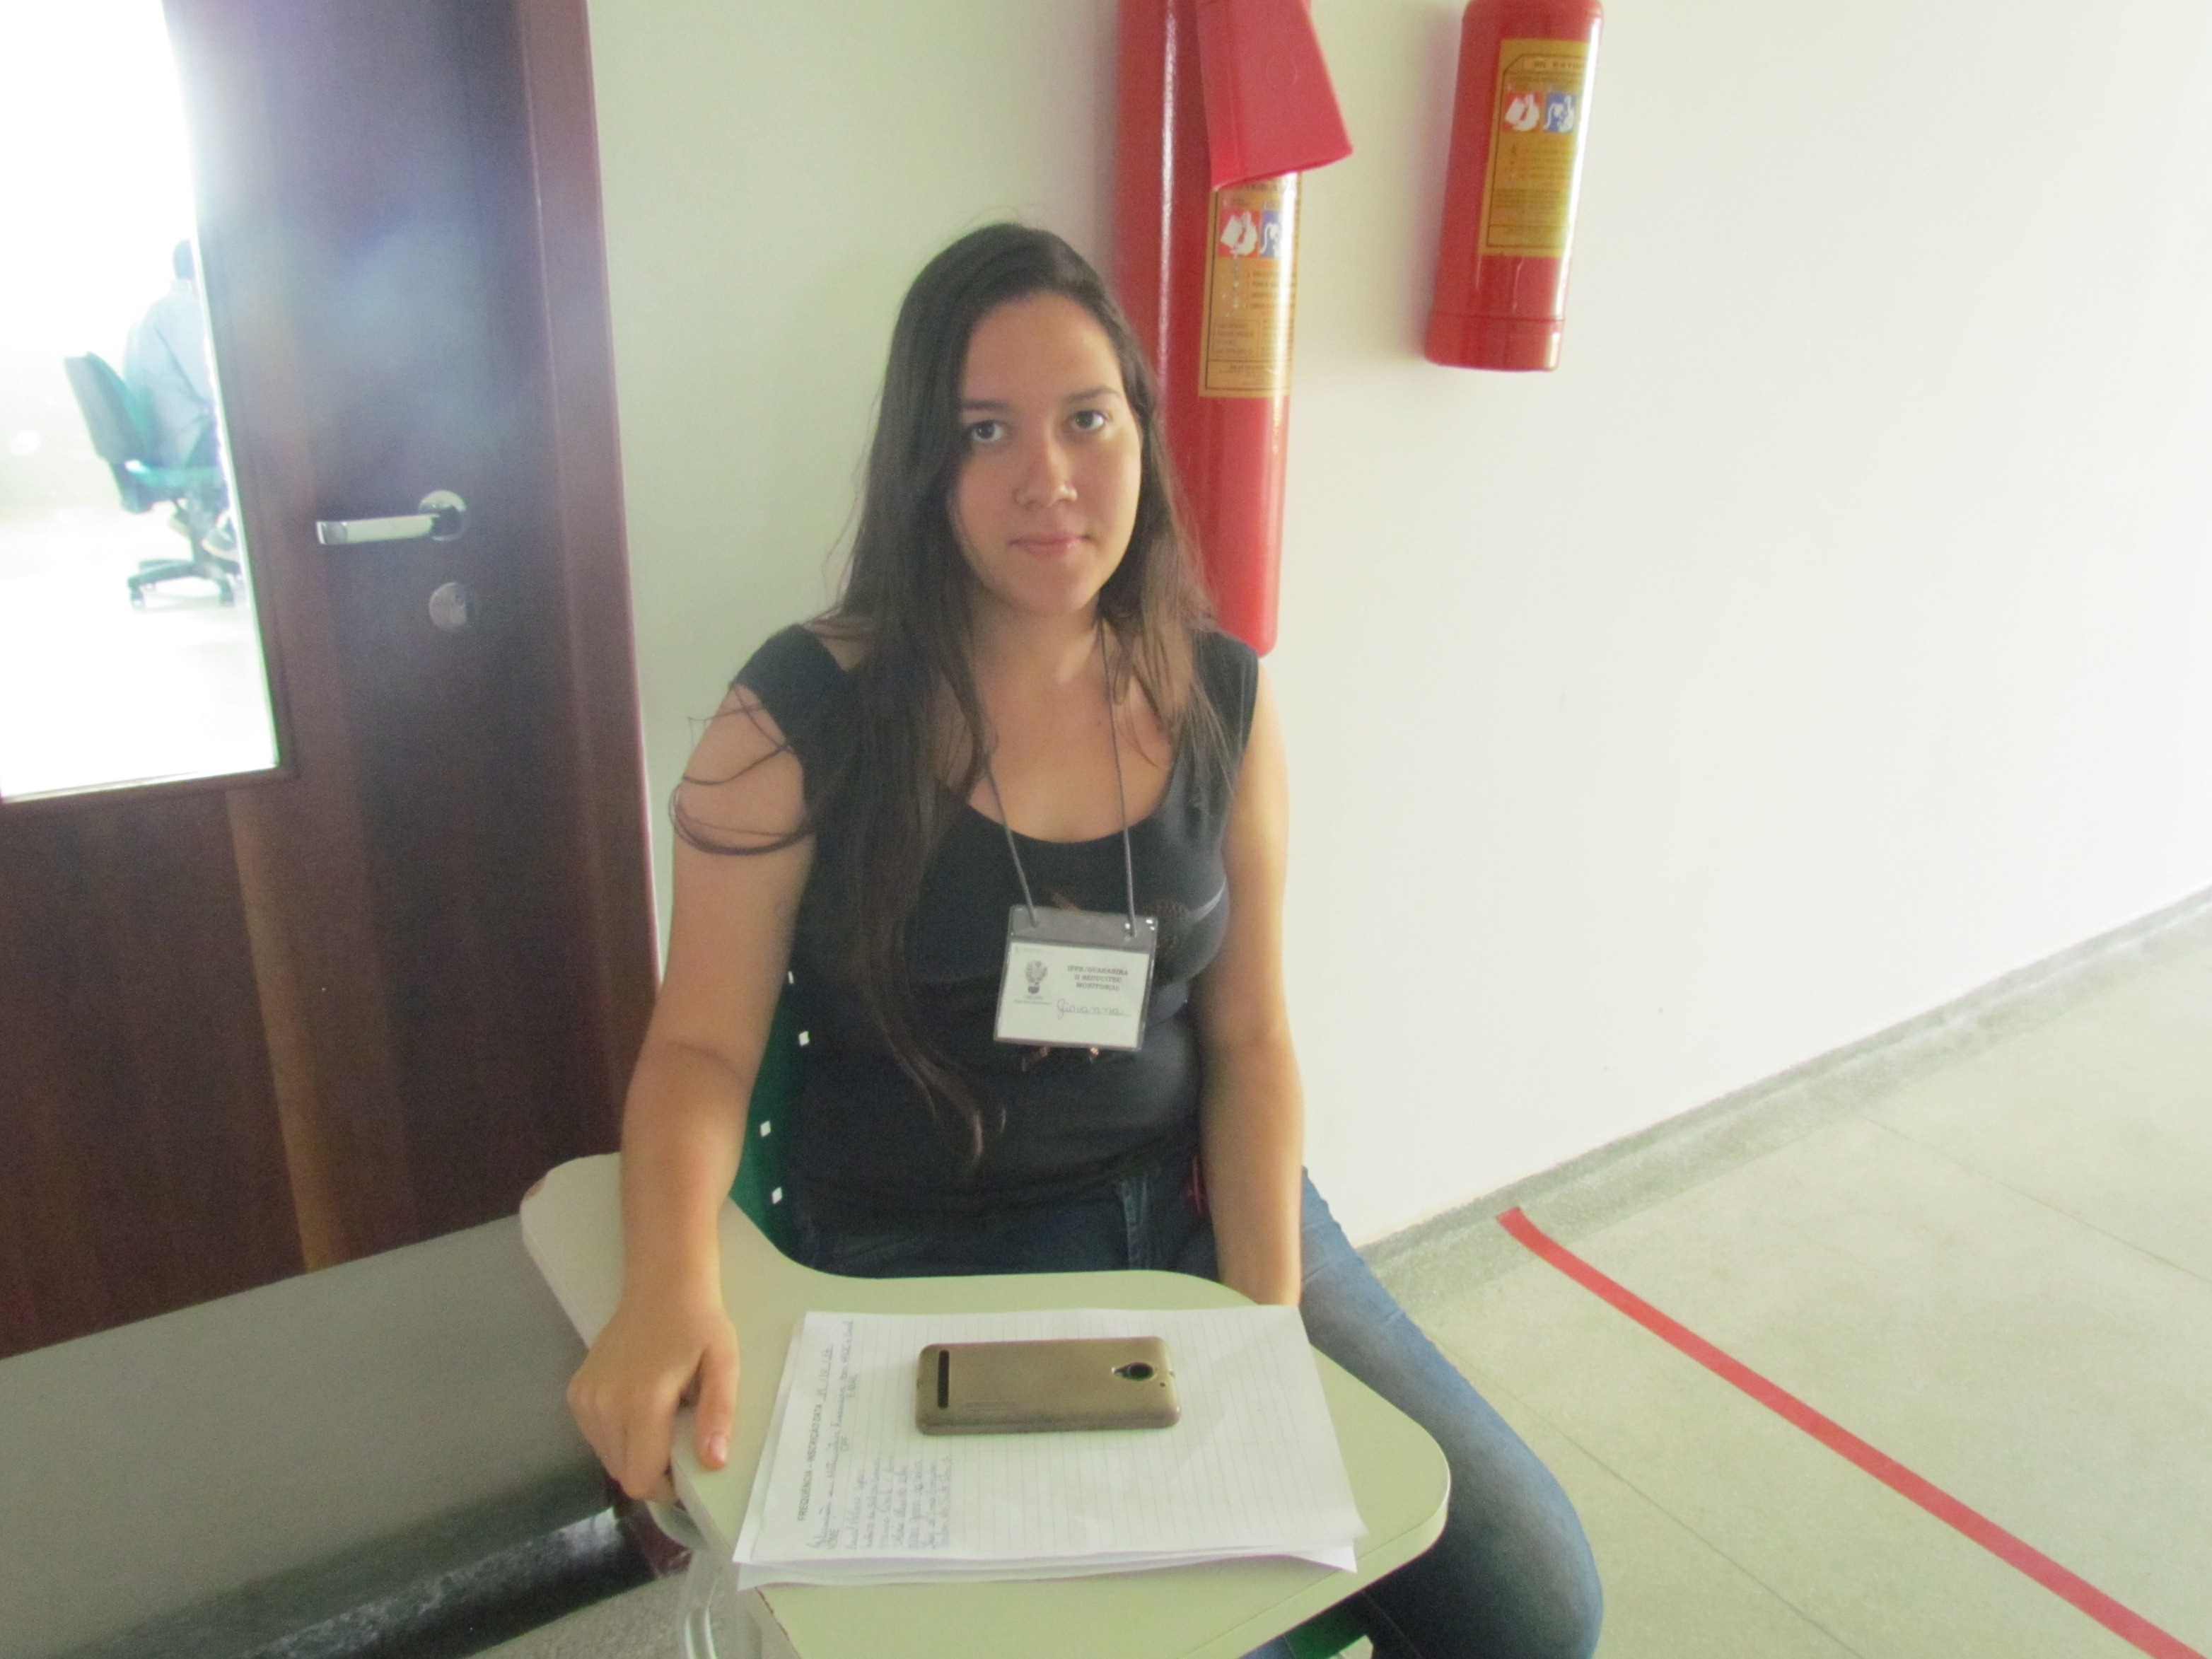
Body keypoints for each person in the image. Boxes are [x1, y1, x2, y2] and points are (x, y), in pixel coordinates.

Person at [567, 224, 1602, 1659]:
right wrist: (665, 1286)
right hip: (928, 1259)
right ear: (923, 466)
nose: (1046, 476)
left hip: (1192, 1216)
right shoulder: (796, 715)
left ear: (1140, 435)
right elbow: (696, 1047)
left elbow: (1248, 1039)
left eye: (1086, 420)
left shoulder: (1223, 698)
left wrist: (1258, 1330)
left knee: (1535, 1610)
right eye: (984, 431)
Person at [125, 240, 219, 471]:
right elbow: (214, 390)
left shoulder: (157, 309)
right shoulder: (183, 309)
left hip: (169, 447)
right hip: (191, 446)